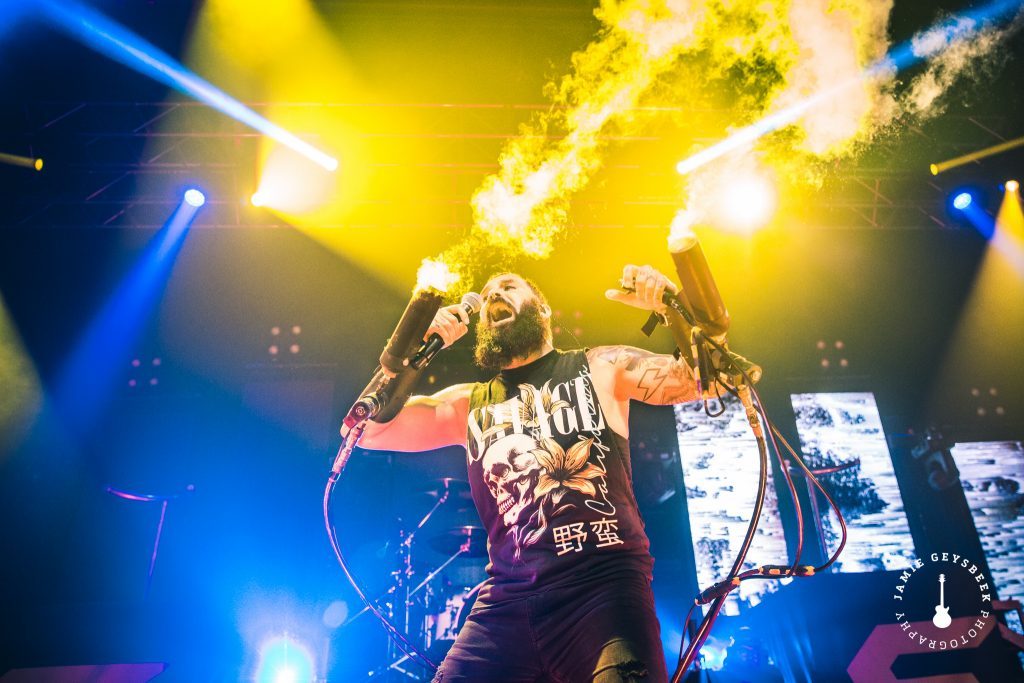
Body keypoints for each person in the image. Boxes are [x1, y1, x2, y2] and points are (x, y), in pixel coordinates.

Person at [353, 264, 703, 682]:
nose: (493, 296)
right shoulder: (467, 404)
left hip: (603, 589)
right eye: (486, 295)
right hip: (507, 603)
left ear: (543, 310)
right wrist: (410, 354)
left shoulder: (599, 368)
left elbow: (702, 380)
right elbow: (364, 431)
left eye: (508, 287)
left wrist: (672, 308)